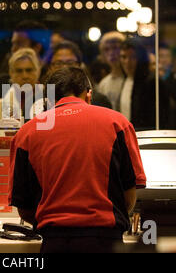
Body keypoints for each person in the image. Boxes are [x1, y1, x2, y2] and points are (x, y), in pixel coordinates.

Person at [8, 66, 146, 253]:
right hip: (106, 241)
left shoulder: (26, 133)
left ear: (47, 101)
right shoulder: (118, 123)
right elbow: (129, 196)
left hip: (54, 243)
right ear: (89, 94)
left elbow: (24, 208)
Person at [30, 40, 112, 118]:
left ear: (80, 66)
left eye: (70, 63)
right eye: (59, 63)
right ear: (50, 68)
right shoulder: (36, 101)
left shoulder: (99, 101)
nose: (65, 67)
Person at [119, 39, 170, 130]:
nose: (127, 62)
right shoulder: (126, 80)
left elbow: (162, 119)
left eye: (133, 57)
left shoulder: (152, 82)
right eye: (124, 57)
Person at [0, 48, 41, 121]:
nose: (25, 76)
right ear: (11, 73)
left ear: (38, 71)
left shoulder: (51, 102)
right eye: (19, 71)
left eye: (29, 70)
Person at [97, 31, 126, 111]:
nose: (111, 53)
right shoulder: (103, 83)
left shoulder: (131, 79)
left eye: (115, 48)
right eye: (106, 49)